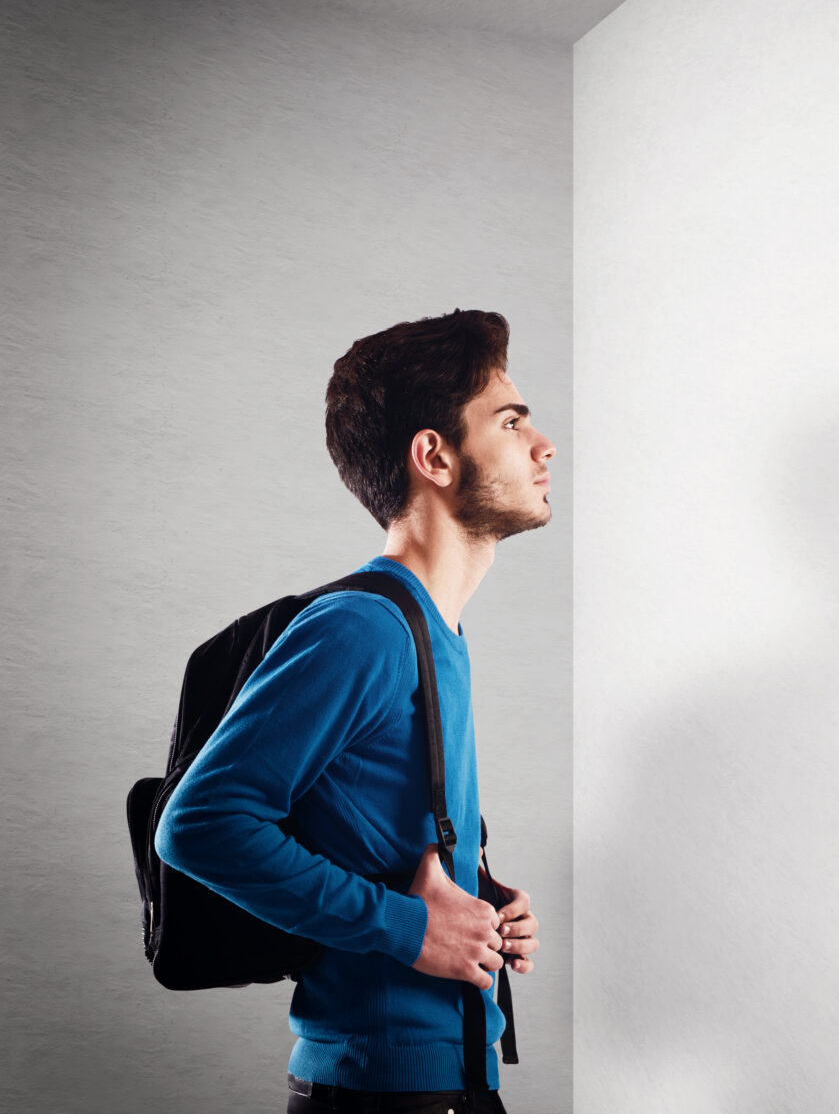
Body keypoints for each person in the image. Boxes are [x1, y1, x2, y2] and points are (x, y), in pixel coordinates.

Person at [156, 309, 554, 1113]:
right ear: (434, 455)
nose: (542, 444)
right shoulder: (364, 629)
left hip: (449, 1079)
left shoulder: (437, 628)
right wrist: (411, 930)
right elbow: (197, 822)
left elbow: (376, 827)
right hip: (380, 1090)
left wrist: (480, 899)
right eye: (510, 421)